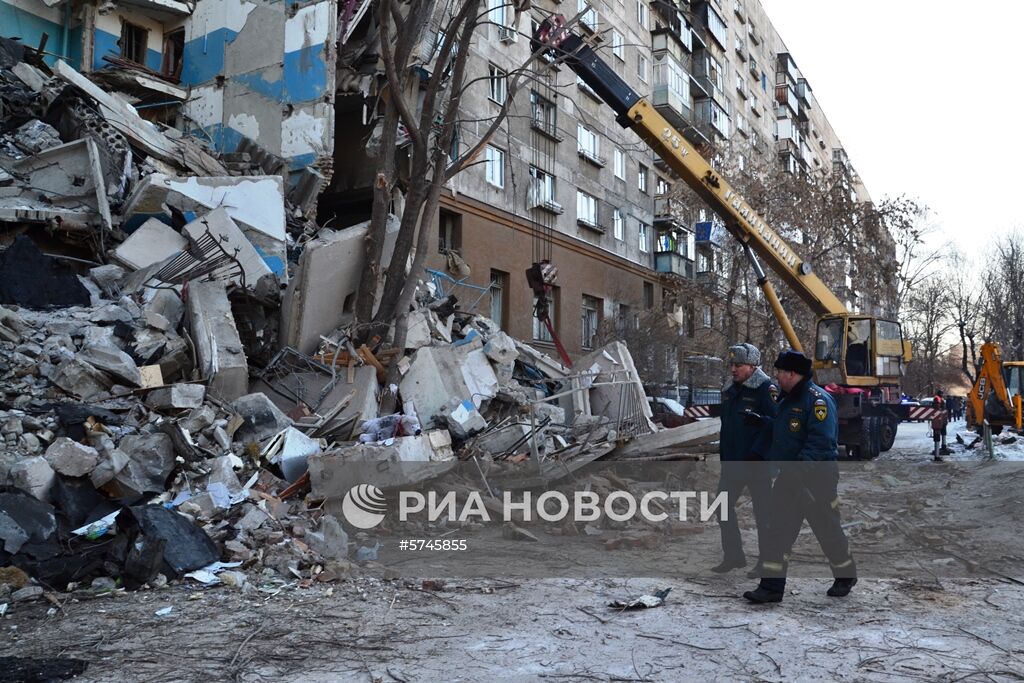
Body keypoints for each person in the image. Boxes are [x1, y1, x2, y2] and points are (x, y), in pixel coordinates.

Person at [743, 350, 857, 604]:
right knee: (777, 529)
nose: (776, 376)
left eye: (780, 372)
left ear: (793, 373)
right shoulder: (788, 398)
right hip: (789, 475)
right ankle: (771, 587)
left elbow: (821, 442)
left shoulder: (817, 401)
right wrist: (763, 422)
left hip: (816, 478)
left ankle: (846, 575)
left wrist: (798, 470)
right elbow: (788, 431)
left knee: (826, 527)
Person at [711, 343, 777, 577]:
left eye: (738, 365)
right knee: (722, 507)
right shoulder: (731, 390)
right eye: (732, 365)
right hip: (733, 462)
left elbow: (774, 426)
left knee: (764, 515)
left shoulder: (766, 389)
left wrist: (757, 454)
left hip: (757, 464)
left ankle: (766, 563)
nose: (733, 369)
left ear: (752, 366)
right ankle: (734, 556)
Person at [932, 389, 950, 460]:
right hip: (939, 418)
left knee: (942, 432)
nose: (942, 394)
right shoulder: (937, 398)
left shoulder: (940, 398)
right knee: (938, 433)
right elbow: (937, 407)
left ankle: (942, 448)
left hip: (941, 417)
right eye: (941, 393)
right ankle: (937, 454)